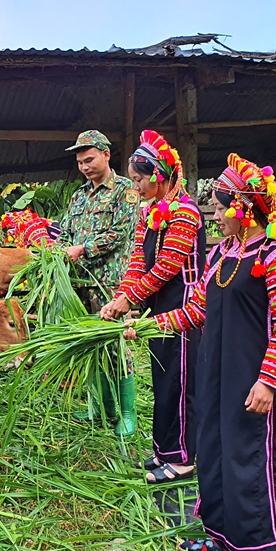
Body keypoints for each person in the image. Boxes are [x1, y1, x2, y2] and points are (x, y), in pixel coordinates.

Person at [124, 153, 276, 551]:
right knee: (214, 448)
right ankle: (222, 537)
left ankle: (270, 549)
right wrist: (151, 324)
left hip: (255, 378)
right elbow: (197, 310)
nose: (214, 216)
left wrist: (269, 380)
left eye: (221, 206)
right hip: (215, 372)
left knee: (255, 457)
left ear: (243, 208)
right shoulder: (224, 252)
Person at [100, 130, 206, 484]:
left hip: (186, 307)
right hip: (160, 305)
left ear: (159, 174)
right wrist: (122, 297)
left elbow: (166, 267)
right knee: (162, 379)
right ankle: (165, 450)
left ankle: (184, 458)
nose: (137, 186)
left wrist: (130, 300)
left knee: (181, 381)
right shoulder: (150, 213)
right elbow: (138, 262)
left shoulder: (186, 213)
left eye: (140, 179)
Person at [58, 130, 140, 436]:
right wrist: (57, 255)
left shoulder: (126, 191)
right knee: (91, 344)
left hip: (110, 283)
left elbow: (121, 231)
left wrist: (83, 249)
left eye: (89, 159)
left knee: (117, 344)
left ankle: (127, 413)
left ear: (106, 154)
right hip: (79, 284)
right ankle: (99, 408)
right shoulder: (79, 196)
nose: (84, 167)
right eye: (79, 162)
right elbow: (65, 234)